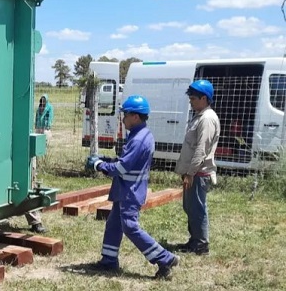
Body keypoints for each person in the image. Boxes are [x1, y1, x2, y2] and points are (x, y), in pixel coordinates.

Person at [86, 95, 180, 279]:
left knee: (129, 226)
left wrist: (98, 165)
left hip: (130, 191)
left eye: (125, 115)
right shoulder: (142, 134)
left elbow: (121, 168)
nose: (123, 118)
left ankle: (165, 258)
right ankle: (109, 261)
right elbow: (127, 162)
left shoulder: (137, 140)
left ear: (135, 117)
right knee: (114, 224)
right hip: (127, 189)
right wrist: (105, 159)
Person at [174, 80, 220, 256]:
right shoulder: (201, 116)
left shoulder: (207, 119)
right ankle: (194, 240)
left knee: (197, 208)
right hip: (194, 172)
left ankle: (201, 245)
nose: (191, 101)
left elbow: (202, 148)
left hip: (199, 173)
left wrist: (191, 173)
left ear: (204, 98)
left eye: (193, 98)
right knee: (191, 207)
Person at [25, 94, 53, 234]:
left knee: (30, 182)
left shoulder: (48, 108)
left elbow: (49, 119)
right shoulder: (38, 109)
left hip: (27, 141)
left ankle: (35, 220)